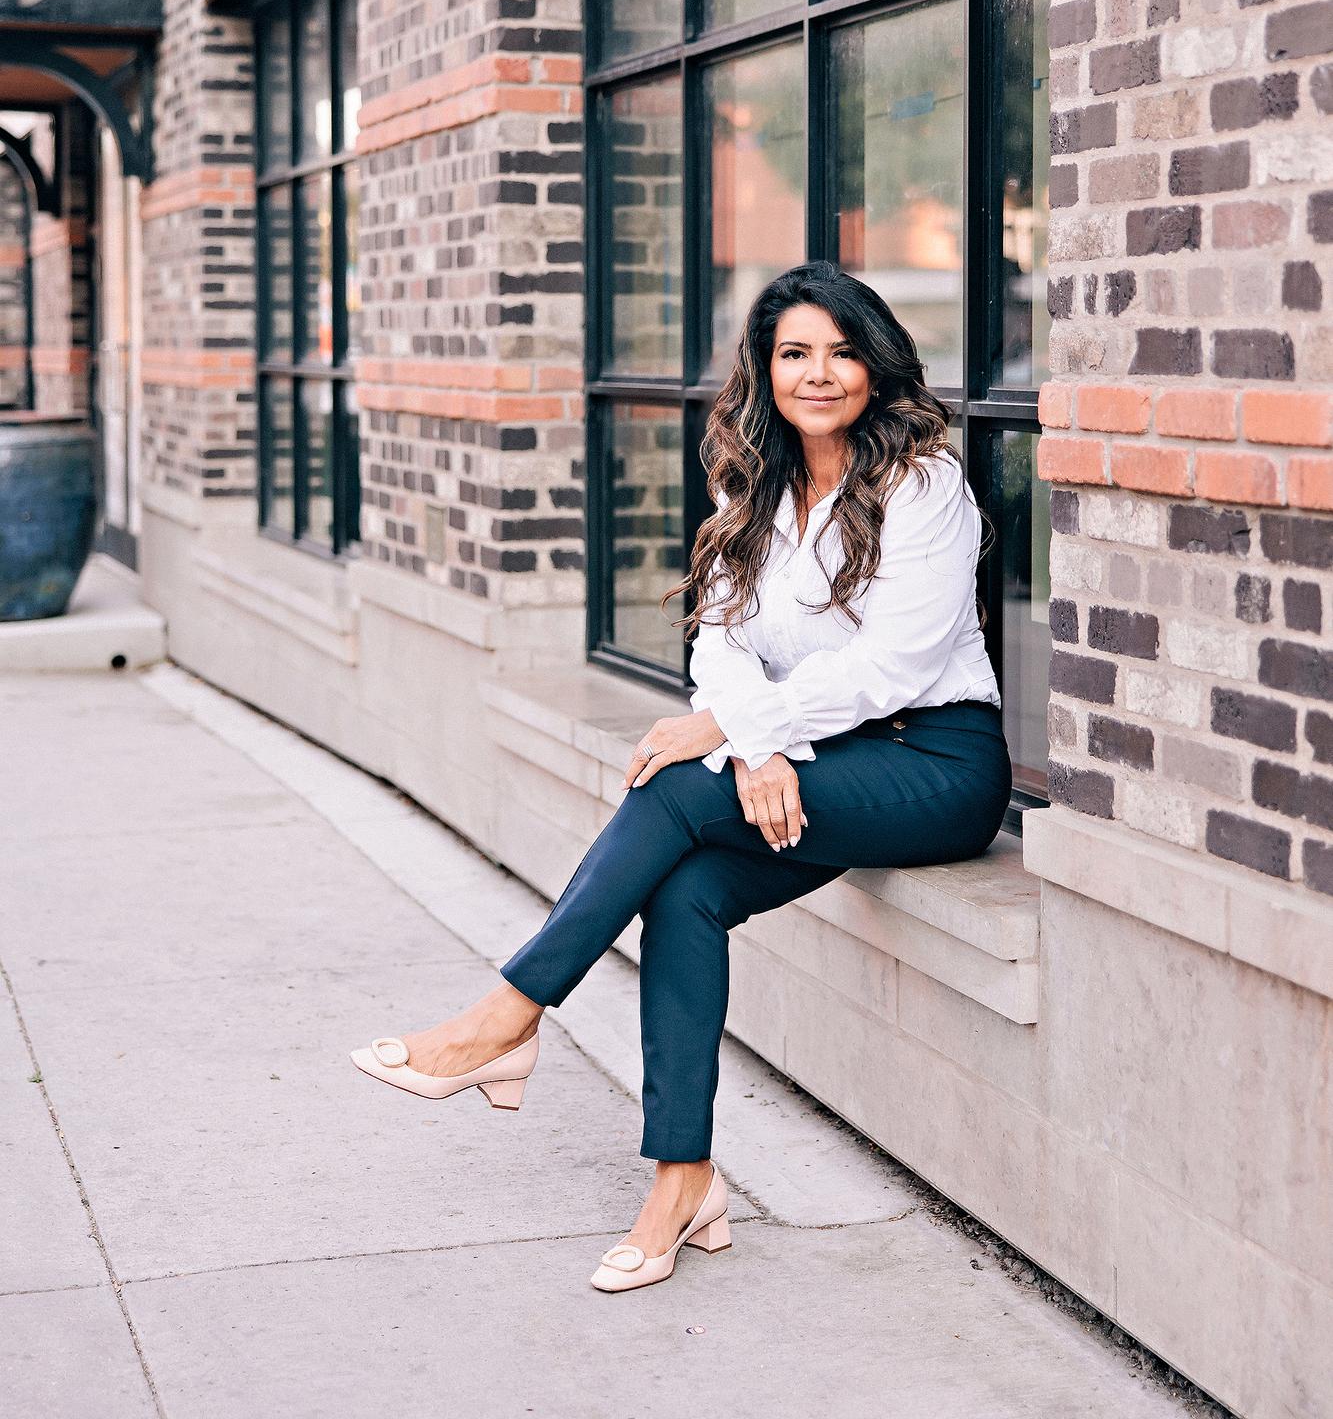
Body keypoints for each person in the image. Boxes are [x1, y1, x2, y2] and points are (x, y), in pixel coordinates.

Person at [351, 261, 1011, 1292]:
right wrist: (750, 742)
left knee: (671, 785)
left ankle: (507, 1014)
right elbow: (720, 645)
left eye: (842, 351)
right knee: (687, 889)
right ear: (765, 367)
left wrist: (738, 730)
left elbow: (896, 662)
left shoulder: (924, 483)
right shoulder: (750, 484)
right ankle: (683, 1180)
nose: (819, 372)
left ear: (875, 369)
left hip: (936, 759)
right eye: (795, 352)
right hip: (819, 752)